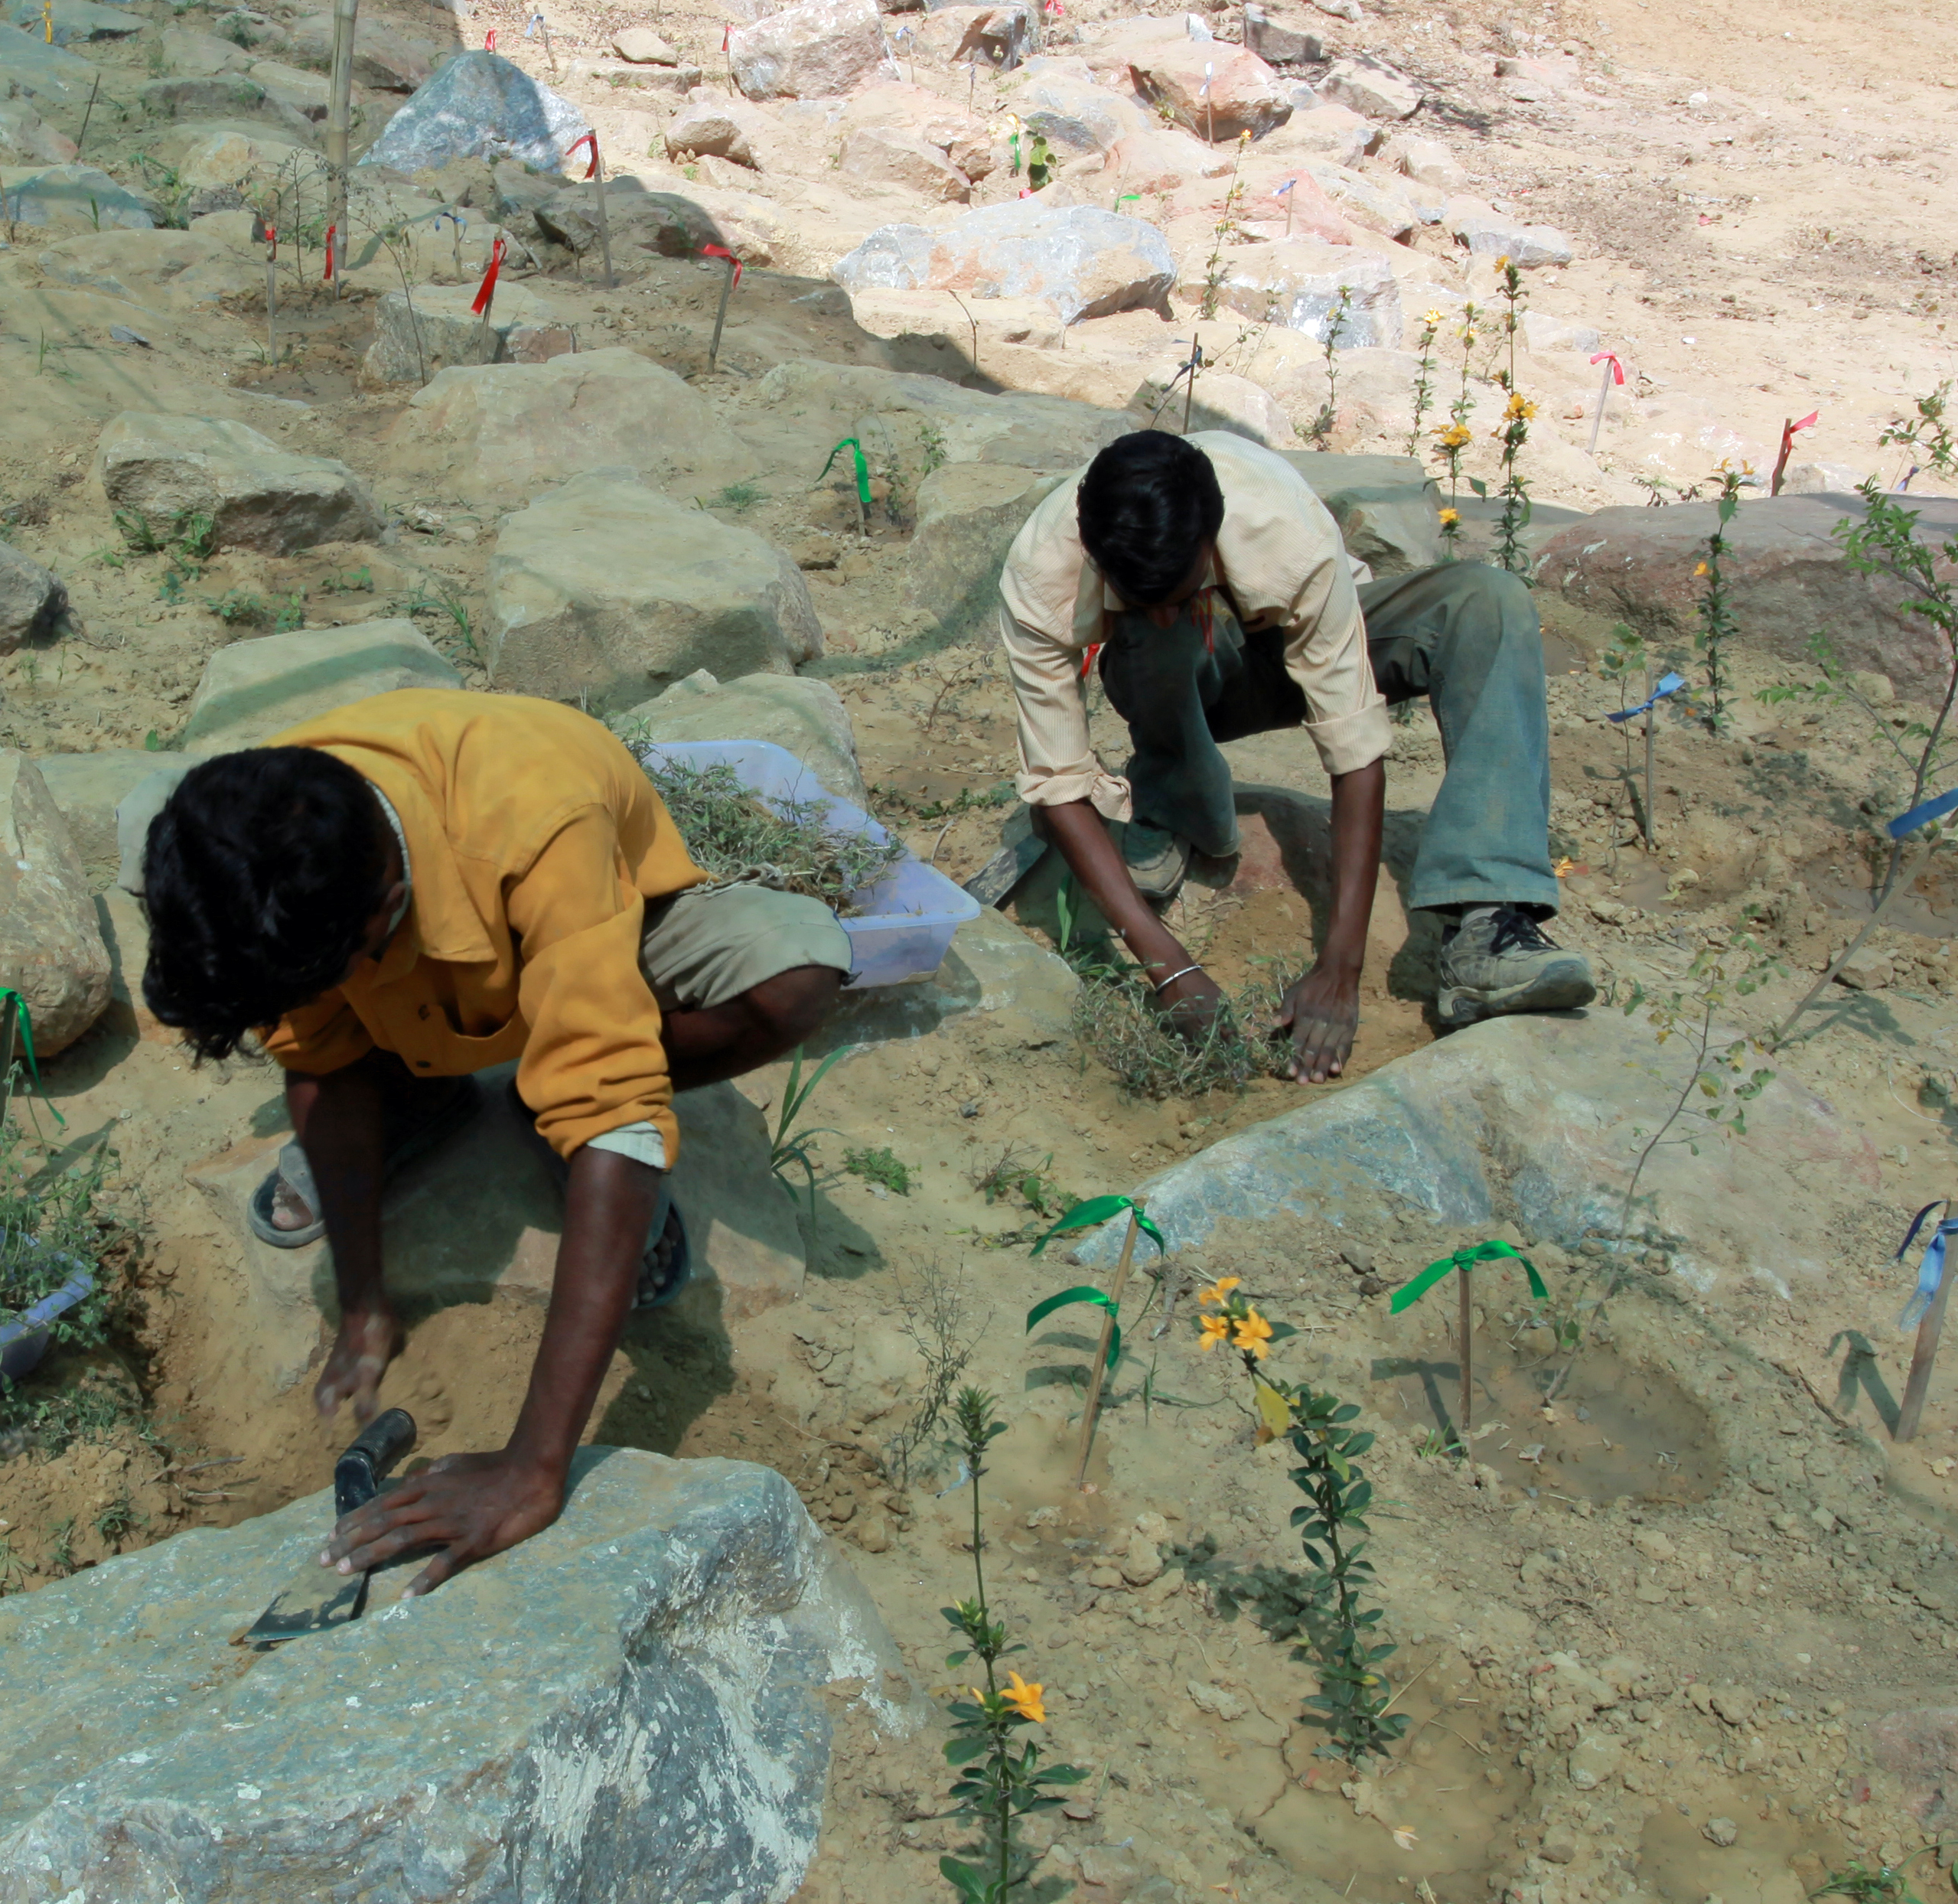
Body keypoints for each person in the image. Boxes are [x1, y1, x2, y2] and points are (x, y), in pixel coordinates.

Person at [135, 690, 849, 1588]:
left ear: (384, 909)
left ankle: (532, 1091)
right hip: (397, 969)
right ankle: (424, 1097)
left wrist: (532, 1468)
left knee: (793, 969)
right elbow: (314, 1060)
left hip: (588, 924)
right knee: (336, 1046)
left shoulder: (539, 824)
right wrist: (362, 1305)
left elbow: (618, 1122)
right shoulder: (254, 841)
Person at [995, 431, 1594, 1083]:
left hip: (1292, 646)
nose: (1168, 613)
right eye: (1142, 599)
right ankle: (1173, 803)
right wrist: (1172, 968)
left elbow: (1353, 741)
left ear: (1213, 532)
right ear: (1093, 553)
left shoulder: (1284, 525)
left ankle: (1488, 921)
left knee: (1487, 601)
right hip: (1188, 681)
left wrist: (1340, 967)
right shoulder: (1040, 570)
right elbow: (1055, 780)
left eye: (1180, 590)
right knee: (1157, 640)